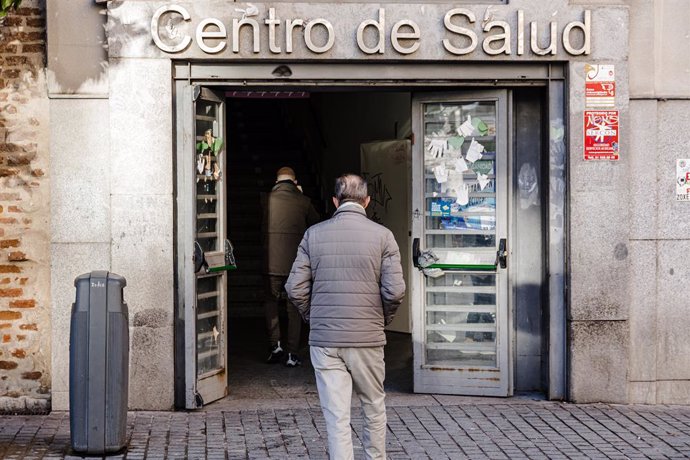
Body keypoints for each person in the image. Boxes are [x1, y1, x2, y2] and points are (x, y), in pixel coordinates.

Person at [286, 174, 406, 460]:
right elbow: (395, 291)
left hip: (325, 340)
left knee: (336, 415)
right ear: (367, 201)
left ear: (335, 201)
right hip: (367, 339)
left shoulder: (313, 235)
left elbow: (294, 287)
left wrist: (313, 318)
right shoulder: (383, 236)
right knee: (374, 405)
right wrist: (381, 320)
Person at [262, 166, 320, 367]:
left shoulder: (266, 199)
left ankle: (274, 345)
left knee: (271, 303)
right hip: (296, 264)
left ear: (276, 182)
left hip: (270, 263)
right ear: (294, 182)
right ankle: (292, 354)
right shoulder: (303, 202)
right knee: (294, 307)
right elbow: (316, 226)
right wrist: (301, 196)